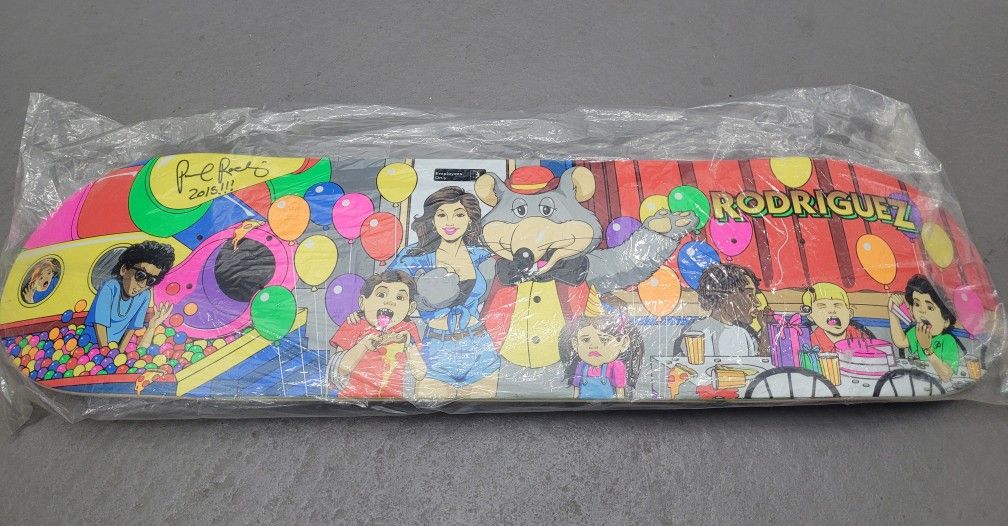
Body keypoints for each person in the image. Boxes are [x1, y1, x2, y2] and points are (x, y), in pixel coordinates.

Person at [386, 186, 500, 399]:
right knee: (427, 415)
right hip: (436, 348)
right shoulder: (414, 256)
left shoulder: (482, 255)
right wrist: (363, 315)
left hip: (479, 346)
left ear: (470, 220)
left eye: (459, 215)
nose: (450, 222)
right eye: (441, 215)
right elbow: (385, 291)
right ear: (432, 220)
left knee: (484, 416)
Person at [329, 270, 427, 399]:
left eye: (399, 298)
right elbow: (340, 370)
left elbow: (420, 374)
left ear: (410, 307)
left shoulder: (408, 328)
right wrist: (363, 345)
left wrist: (409, 344)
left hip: (395, 400)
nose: (390, 302)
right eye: (381, 294)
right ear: (363, 302)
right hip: (354, 398)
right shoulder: (354, 324)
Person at [83, 241, 174, 350]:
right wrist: (106, 352)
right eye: (140, 275)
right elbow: (100, 324)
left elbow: (131, 329)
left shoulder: (144, 296)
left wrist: (120, 353)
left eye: (150, 280)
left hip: (113, 350)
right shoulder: (110, 287)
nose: (142, 284)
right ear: (124, 269)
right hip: (89, 345)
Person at [559, 294, 643, 400]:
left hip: (609, 406)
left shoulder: (616, 366)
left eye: (604, 340)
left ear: (623, 343)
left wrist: (620, 404)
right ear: (575, 344)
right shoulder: (581, 366)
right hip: (583, 405)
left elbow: (620, 391)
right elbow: (577, 388)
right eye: (586, 340)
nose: (594, 346)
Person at [679, 263, 772, 357]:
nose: (757, 303)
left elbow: (760, 361)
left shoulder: (744, 333)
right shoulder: (697, 333)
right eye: (750, 295)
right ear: (725, 296)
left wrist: (765, 329)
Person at [888, 274, 960, 382]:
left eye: (930, 307)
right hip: (921, 382)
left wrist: (927, 348)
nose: (921, 310)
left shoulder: (948, 341)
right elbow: (900, 342)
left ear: (946, 321)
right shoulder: (918, 332)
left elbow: (946, 376)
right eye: (917, 304)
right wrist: (892, 312)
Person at [802, 282, 872, 353]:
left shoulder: (860, 337)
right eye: (822, 306)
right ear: (811, 317)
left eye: (837, 305)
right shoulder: (811, 343)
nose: (831, 311)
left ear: (850, 313)